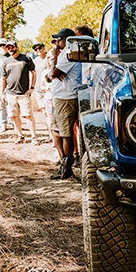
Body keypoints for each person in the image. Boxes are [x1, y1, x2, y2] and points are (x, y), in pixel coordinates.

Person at [48, 27, 82, 179]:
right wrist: (53, 73)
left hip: (66, 97)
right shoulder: (63, 54)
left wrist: (53, 70)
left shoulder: (69, 54)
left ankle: (67, 167)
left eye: (59, 40)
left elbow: (54, 73)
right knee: (55, 129)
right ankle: (63, 163)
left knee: (66, 133)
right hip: (59, 96)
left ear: (67, 40)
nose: (56, 43)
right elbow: (52, 75)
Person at [0, 39, 37, 144]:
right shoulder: (6, 62)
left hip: (24, 94)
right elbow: (3, 78)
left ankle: (33, 137)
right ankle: (20, 136)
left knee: (28, 115)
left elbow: (34, 73)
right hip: (10, 94)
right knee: (14, 116)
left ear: (16, 47)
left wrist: (32, 87)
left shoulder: (26, 58)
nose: (10, 49)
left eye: (12, 47)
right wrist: (2, 93)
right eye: (8, 47)